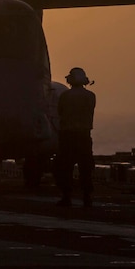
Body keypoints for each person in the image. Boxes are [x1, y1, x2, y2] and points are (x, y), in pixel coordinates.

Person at [56, 67, 97, 207]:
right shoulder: (91, 96)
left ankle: (66, 196)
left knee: (65, 167)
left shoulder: (65, 96)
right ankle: (87, 196)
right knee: (85, 168)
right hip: (84, 136)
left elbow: (60, 112)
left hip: (68, 135)